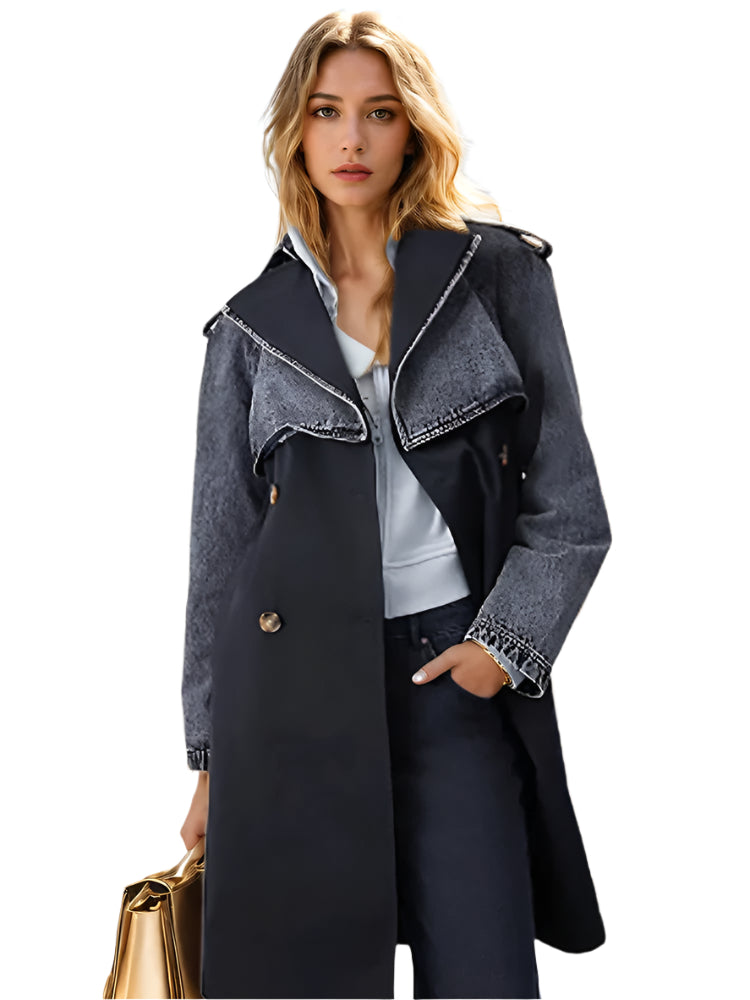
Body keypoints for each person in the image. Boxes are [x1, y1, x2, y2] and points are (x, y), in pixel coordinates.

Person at [179, 11, 612, 1000]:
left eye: (378, 112)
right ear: (294, 130)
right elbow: (220, 560)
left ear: (413, 128)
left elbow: (570, 506)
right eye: (325, 111)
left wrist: (501, 650)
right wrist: (210, 764)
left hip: (450, 679)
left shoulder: (496, 274)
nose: (352, 138)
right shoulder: (248, 330)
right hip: (292, 704)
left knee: (484, 976)